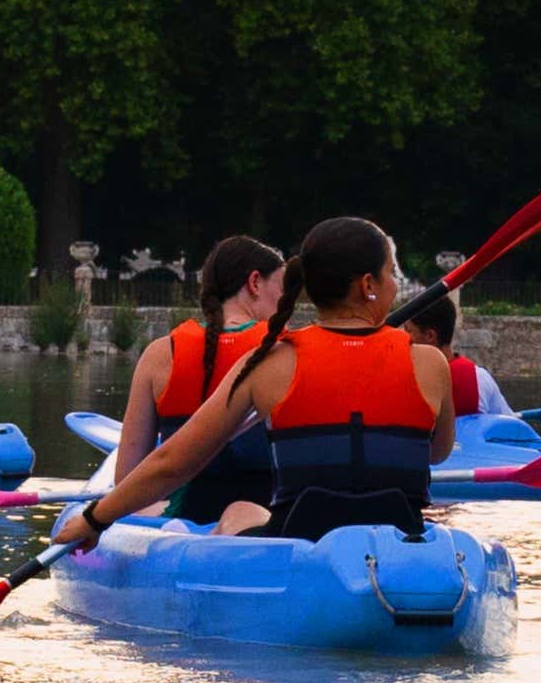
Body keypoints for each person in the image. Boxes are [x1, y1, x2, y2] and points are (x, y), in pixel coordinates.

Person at [54, 217, 459, 545]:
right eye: (391, 273)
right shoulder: (430, 363)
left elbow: (173, 462)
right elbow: (437, 452)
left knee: (241, 511)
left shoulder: (270, 361)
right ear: (368, 285)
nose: (395, 285)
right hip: (401, 538)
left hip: (299, 542)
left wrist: (95, 518)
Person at [103, 235, 287, 517]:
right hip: (266, 517)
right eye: (282, 287)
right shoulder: (286, 352)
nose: (285, 300)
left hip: (183, 516)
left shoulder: (159, 354)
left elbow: (125, 479)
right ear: (254, 283)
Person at [399, 290, 515, 419]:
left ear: (430, 336)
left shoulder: (405, 382)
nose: (403, 337)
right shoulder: (480, 378)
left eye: (408, 330)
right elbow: (511, 424)